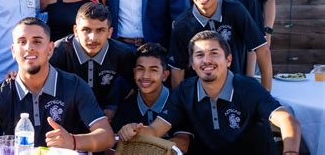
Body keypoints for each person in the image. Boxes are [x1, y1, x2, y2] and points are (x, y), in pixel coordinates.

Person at [119, 31, 301, 155]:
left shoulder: (248, 87)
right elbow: (155, 130)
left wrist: (291, 152)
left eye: (214, 53)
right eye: (199, 55)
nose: (206, 60)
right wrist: (134, 130)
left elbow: (287, 120)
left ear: (228, 59)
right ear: (191, 63)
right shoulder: (184, 91)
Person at [0, 17, 116, 152]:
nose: (29, 48)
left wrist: (73, 141)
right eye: (22, 42)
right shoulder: (1, 93)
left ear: (50, 49)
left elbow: (106, 137)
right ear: (13, 51)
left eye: (37, 41)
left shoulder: (74, 86)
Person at [169, 0, 272, 90]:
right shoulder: (181, 24)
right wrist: (181, 106)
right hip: (198, 97)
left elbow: (262, 49)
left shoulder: (235, 10)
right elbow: (177, 71)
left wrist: (266, 92)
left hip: (235, 92)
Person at [50, 2, 134, 118]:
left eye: (100, 30)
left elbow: (129, 88)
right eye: (86, 30)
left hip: (108, 118)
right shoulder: (58, 52)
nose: (93, 38)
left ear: (110, 32)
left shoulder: (123, 54)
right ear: (75, 30)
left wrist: (112, 106)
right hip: (69, 115)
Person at [111, 43, 190, 154]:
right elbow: (113, 146)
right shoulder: (126, 105)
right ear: (134, 73)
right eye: (140, 69)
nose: (145, 76)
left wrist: (142, 141)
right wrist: (123, 133)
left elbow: (183, 143)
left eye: (153, 70)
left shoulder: (177, 101)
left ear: (165, 75)